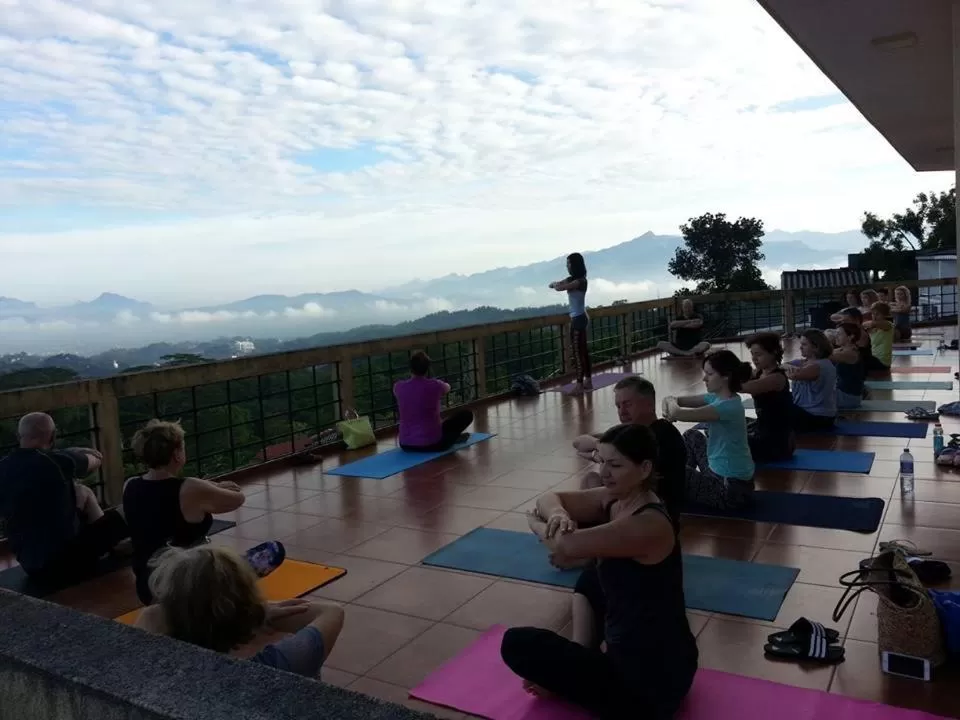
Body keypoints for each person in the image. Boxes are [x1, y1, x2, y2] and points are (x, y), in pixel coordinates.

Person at [501, 424, 698, 719]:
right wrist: (557, 514)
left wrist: (538, 525)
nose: (605, 472)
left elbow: (566, 546)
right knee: (592, 578)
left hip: (648, 687)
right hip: (640, 660)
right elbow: (551, 498)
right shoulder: (616, 499)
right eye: (601, 460)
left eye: (615, 465)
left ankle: (573, 675)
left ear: (645, 468)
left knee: (516, 643)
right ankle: (582, 655)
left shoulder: (649, 523)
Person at [123, 419, 277, 605]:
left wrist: (209, 486)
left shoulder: (130, 486)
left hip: (149, 588)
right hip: (187, 588)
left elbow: (166, 492)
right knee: (274, 551)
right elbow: (237, 499)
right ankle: (236, 578)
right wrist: (210, 486)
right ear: (176, 455)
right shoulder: (189, 489)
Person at [135, 544, 344, 679]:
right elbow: (331, 612)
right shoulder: (279, 666)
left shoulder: (158, 671)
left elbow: (149, 617)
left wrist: (186, 606)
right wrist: (255, 613)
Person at [0, 412, 129, 589]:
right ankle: (115, 545)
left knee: (81, 490)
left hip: (31, 564)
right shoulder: (55, 462)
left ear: (18, 436)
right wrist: (74, 453)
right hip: (69, 559)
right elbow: (95, 459)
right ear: (53, 437)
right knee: (131, 503)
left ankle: (112, 545)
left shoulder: (4, 467)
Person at [571, 376, 687, 523]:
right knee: (591, 479)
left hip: (653, 513)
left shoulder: (661, 435)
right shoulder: (634, 433)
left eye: (628, 404)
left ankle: (595, 532)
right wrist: (600, 448)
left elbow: (585, 444)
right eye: (618, 406)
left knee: (591, 481)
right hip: (637, 503)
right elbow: (578, 442)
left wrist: (599, 450)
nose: (622, 412)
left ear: (650, 405)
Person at [662, 351, 755, 510]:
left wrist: (670, 403)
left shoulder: (727, 407)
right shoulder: (718, 397)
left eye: (710, 374)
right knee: (692, 436)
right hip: (718, 473)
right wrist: (670, 400)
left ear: (726, 376)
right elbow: (680, 402)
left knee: (670, 470)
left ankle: (678, 488)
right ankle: (681, 487)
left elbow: (678, 413)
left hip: (731, 490)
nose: (704, 378)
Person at [394, 351, 474, 451]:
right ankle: (453, 438)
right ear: (427, 368)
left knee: (440, 426)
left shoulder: (399, 387)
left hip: (405, 444)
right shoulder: (435, 385)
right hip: (433, 443)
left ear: (411, 368)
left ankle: (452, 438)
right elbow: (448, 388)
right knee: (466, 414)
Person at [741, 333, 794, 463]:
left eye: (758, 354)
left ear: (774, 352)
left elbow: (748, 387)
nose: (754, 358)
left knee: (727, 438)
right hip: (761, 429)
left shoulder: (776, 378)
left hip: (778, 442)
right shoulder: (758, 372)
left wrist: (722, 383)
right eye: (752, 354)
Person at [549, 253, 592, 394]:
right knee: (582, 351)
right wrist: (555, 284)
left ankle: (580, 384)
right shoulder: (573, 280)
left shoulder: (581, 281)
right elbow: (561, 283)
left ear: (575, 265)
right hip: (579, 318)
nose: (567, 266)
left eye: (569, 264)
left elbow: (562, 287)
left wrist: (555, 285)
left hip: (578, 319)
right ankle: (588, 380)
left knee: (578, 353)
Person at [785, 329, 838, 432]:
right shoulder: (803, 362)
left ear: (816, 347)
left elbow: (793, 375)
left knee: (778, 404)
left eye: (804, 344)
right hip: (806, 412)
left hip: (818, 417)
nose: (800, 347)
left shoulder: (819, 366)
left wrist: (785, 368)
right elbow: (782, 366)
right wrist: (785, 366)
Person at [832, 322, 865, 409]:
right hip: (840, 393)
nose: (836, 336)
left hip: (849, 398)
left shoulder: (851, 353)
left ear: (851, 336)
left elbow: (824, 355)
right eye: (836, 334)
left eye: (839, 334)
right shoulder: (841, 350)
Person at [863, 302, 894, 372]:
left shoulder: (888, 325)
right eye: (873, 314)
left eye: (877, 314)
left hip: (882, 362)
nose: (874, 316)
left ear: (885, 315)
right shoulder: (872, 329)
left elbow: (872, 323)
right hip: (873, 359)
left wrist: (860, 325)